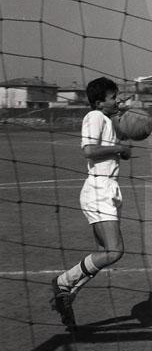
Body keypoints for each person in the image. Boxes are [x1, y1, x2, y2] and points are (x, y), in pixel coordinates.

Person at [50, 77, 132, 328]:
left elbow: (125, 151)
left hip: (109, 189)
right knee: (114, 251)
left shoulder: (109, 120)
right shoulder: (94, 116)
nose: (117, 100)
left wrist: (123, 128)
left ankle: (68, 294)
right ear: (99, 102)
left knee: (103, 253)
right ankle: (63, 282)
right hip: (98, 189)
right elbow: (88, 150)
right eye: (113, 97)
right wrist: (118, 147)